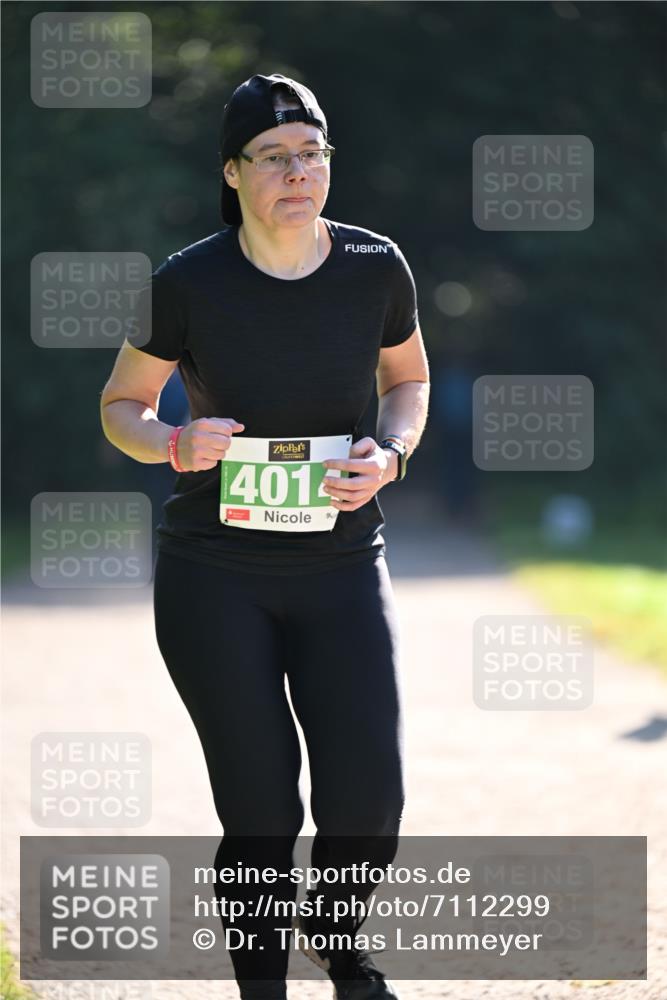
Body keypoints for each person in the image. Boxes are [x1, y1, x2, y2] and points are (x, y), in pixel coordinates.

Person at [100, 72, 430, 1000]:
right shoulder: (186, 281)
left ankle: (337, 938)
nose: (297, 172)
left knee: (369, 799)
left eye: (312, 153)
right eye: (275, 156)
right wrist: (172, 441)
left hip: (341, 564)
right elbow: (121, 405)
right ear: (233, 172)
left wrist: (392, 454)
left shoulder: (375, 265)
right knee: (259, 810)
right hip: (215, 575)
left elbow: (408, 380)